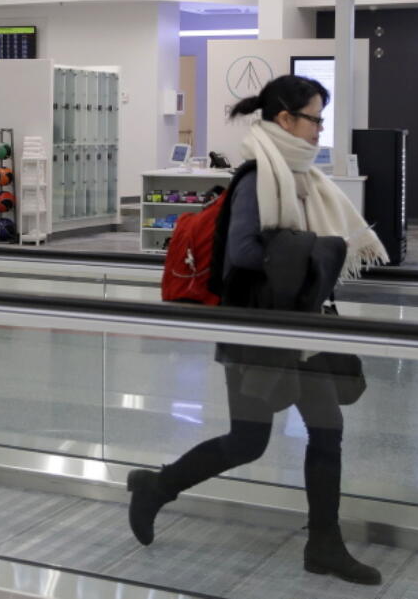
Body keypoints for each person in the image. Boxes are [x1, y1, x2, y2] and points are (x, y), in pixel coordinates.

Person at [126, 75, 390, 586]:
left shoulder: (303, 177)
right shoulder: (256, 178)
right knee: (248, 441)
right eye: (313, 119)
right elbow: (242, 254)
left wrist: (313, 252)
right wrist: (315, 248)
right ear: (286, 120)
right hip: (255, 330)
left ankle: (324, 545)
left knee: (328, 431)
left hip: (301, 330)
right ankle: (157, 488)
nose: (319, 130)